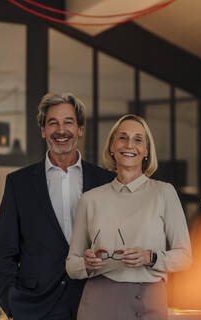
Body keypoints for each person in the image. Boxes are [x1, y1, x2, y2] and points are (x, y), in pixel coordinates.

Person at [0, 93, 115, 320]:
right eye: (53, 123)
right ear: (43, 131)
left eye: (68, 122)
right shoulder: (18, 183)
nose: (61, 130)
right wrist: (11, 302)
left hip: (94, 302)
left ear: (80, 129)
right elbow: (4, 251)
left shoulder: (106, 180)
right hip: (36, 307)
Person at [66, 114, 192, 320]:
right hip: (98, 301)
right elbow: (71, 264)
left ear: (146, 151)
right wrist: (87, 264)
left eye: (138, 139)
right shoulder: (90, 199)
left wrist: (150, 257)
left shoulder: (164, 193)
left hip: (148, 300)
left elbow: (185, 258)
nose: (129, 145)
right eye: (122, 138)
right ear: (112, 147)